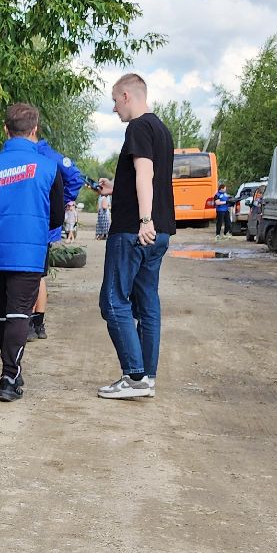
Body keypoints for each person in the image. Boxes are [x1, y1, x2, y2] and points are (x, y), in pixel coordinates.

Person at [0, 103, 65, 402]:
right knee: (18, 315)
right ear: (35, 130)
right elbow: (57, 218)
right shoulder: (49, 168)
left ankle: (11, 371)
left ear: (5, 129)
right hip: (29, 253)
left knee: (1, 316)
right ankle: (9, 378)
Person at [97, 73, 174, 400]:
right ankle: (147, 377)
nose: (114, 108)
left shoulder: (138, 127)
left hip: (135, 230)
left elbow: (146, 173)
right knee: (147, 303)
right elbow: (150, 180)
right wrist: (117, 189)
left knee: (113, 300)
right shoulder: (162, 130)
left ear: (128, 95)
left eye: (115, 100)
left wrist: (144, 219)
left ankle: (134, 376)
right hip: (160, 233)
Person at [31, 138, 88, 339]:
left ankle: (35, 322)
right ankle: (36, 323)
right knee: (37, 275)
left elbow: (76, 177)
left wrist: (58, 202)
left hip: (41, 224)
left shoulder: (49, 156)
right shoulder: (34, 154)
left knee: (34, 275)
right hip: (31, 224)